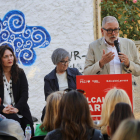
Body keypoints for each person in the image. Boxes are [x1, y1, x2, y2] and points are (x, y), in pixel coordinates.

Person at [0, 45, 34, 136]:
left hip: (20, 108)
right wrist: (2, 109)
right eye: (5, 56)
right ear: (0, 59)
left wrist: (17, 108)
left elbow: (24, 94)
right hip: (3, 110)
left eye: (11, 55)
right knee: (15, 121)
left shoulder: (20, 73)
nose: (9, 58)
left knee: (29, 127)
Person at [42, 48, 82, 121]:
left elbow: (83, 86)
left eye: (67, 61)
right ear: (56, 62)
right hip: (58, 105)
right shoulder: (49, 78)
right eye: (63, 62)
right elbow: (48, 98)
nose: (66, 64)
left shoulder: (75, 72)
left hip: (73, 103)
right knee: (46, 110)